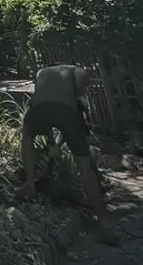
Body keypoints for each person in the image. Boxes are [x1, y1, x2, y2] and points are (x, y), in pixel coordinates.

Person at [16, 64, 117, 243]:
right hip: (67, 112)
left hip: (38, 110)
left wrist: (52, 142)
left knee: (27, 135)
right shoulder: (77, 71)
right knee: (84, 166)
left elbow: (45, 104)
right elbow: (78, 95)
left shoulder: (42, 74)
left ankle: (29, 181)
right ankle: (103, 219)